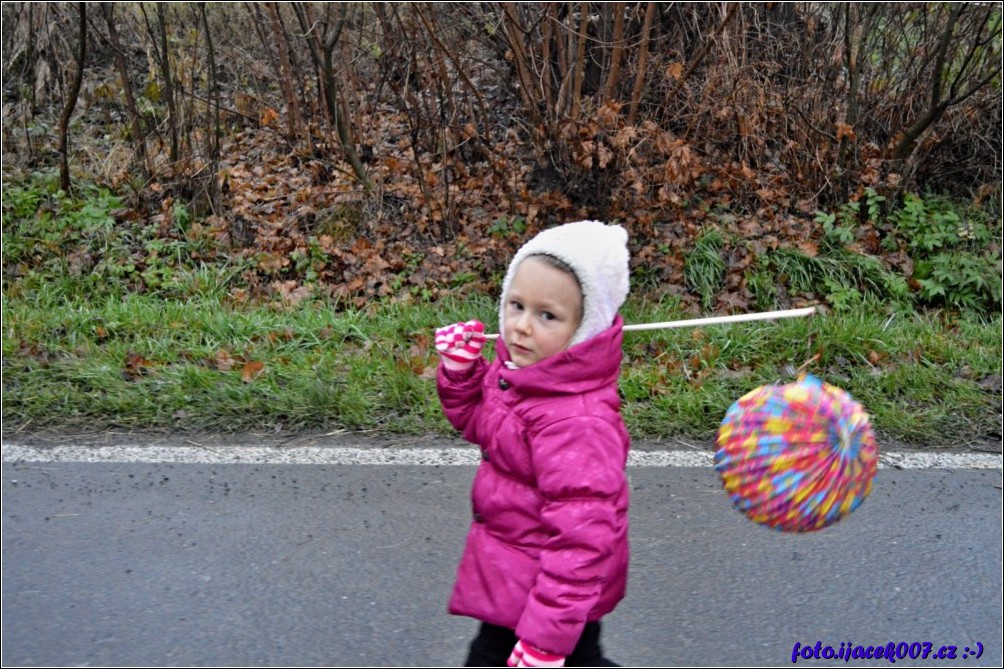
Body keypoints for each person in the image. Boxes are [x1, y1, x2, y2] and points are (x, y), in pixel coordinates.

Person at [434, 220, 631, 667]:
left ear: (585, 328)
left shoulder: (578, 423)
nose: (521, 326)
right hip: (517, 576)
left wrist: (546, 641)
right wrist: (461, 374)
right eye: (516, 305)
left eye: (547, 315)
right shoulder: (522, 378)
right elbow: (481, 426)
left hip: (554, 594)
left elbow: (582, 540)